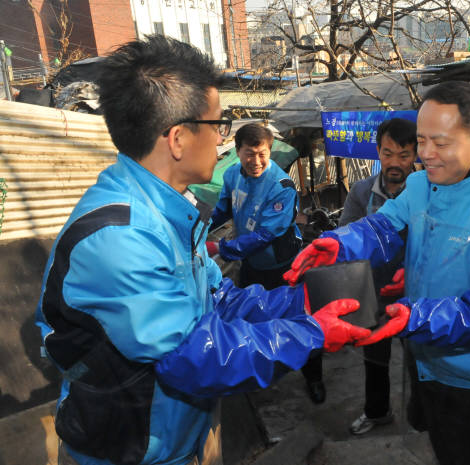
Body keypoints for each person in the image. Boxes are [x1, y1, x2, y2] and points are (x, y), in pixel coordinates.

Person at [35, 36, 370, 465]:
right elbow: (194, 354)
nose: (222, 140)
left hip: (173, 439)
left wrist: (310, 299)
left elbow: (220, 300)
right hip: (130, 451)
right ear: (177, 138)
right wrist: (312, 332)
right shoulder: (119, 238)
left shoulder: (170, 208)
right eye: (218, 125)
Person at [284, 81, 470, 465]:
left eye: (440, 143)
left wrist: (416, 316)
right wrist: (341, 243)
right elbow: (384, 226)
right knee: (438, 439)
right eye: (422, 141)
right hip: (424, 353)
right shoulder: (422, 184)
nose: (425, 155)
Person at [208, 123, 326, 404]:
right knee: (252, 320)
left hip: (284, 265)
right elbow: (222, 210)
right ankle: (262, 371)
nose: (256, 161)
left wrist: (220, 247)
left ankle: (314, 378)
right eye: (249, 154)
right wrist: (197, 232)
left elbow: (266, 235)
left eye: (262, 153)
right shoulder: (232, 175)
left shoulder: (281, 186)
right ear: (237, 152)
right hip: (252, 265)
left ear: (269, 151)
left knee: (300, 318)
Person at [338, 118, 418, 435]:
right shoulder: (361, 191)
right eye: (387, 154)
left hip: (416, 292)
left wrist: (408, 269)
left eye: (404, 155)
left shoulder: (429, 192)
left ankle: (423, 415)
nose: (395, 163)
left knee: (420, 357)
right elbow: (345, 234)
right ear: (378, 152)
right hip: (373, 291)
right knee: (375, 357)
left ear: (416, 155)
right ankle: (377, 411)